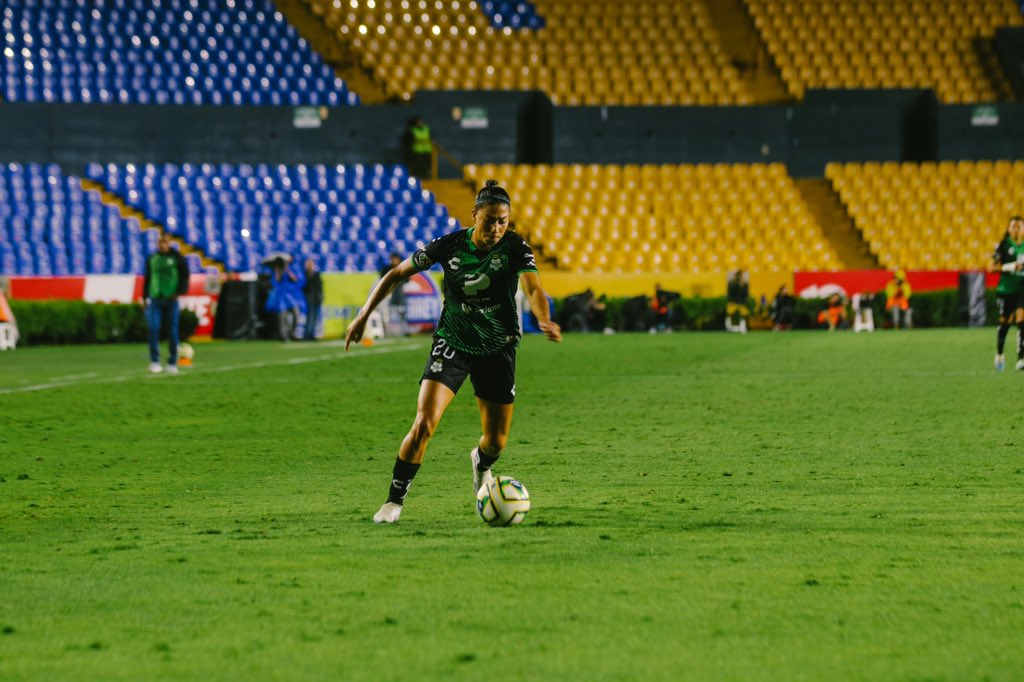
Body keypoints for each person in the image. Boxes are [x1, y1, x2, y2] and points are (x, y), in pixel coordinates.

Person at [345, 179, 562, 524]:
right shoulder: (450, 245)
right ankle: (393, 502)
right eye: (489, 219)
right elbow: (397, 273)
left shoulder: (514, 247)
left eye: (502, 221)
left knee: (496, 441)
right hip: (453, 343)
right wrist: (362, 315)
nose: (495, 227)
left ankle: (482, 462)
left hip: (497, 347)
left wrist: (544, 319)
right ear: (474, 215)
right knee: (424, 423)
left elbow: (534, 288)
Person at [143, 234, 190, 373]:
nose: (163, 245)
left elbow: (185, 275)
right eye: (160, 242)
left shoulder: (177, 258)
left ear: (169, 243)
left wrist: (179, 292)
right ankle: (155, 361)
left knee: (172, 331)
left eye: (165, 242)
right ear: (158, 243)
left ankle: (172, 362)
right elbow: (147, 278)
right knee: (153, 329)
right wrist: (144, 297)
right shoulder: (153, 258)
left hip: (171, 299)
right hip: (155, 298)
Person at [988, 215, 1024, 370]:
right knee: (1004, 323)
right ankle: (1000, 353)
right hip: (1006, 290)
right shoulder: (1003, 245)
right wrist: (1010, 267)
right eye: (1013, 226)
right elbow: (991, 268)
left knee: (1022, 320)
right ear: (1009, 229)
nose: (1016, 229)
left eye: (1019, 226)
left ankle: (1021, 359)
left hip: (1022, 288)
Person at [265, 256, 305, 341]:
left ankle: (292, 332)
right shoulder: (276, 270)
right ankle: (283, 336)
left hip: (290, 296)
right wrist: (278, 270)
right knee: (282, 317)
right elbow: (276, 280)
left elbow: (295, 279)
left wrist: (287, 269)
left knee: (296, 314)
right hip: (280, 296)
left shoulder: (291, 269)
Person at [379, 252, 407, 336]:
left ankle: (403, 331)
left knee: (402, 312)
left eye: (396, 258)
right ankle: (386, 332)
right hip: (388, 295)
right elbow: (382, 280)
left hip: (400, 294)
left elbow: (407, 280)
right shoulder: (386, 269)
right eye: (393, 258)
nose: (394, 260)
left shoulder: (403, 267)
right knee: (386, 313)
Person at [302, 258, 323, 341]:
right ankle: (307, 334)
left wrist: (320, 297)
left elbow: (319, 287)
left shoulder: (316, 274)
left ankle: (311, 334)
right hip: (309, 298)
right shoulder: (305, 274)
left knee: (314, 317)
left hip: (316, 298)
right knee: (310, 317)